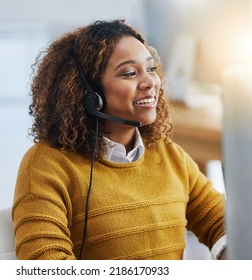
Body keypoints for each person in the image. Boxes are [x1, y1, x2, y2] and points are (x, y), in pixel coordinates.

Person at [12, 19, 227, 260]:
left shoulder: (167, 154)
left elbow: (220, 220)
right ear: (91, 95)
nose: (150, 83)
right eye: (130, 73)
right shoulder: (46, 165)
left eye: (151, 69)